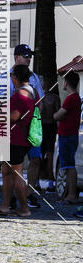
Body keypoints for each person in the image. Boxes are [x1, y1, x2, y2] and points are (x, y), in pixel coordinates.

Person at [0, 64, 34, 217]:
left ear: (15, 77)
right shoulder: (31, 91)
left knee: (16, 173)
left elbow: (14, 116)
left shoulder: (20, 94)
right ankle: (5, 205)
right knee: (6, 171)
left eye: (12, 76)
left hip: (15, 138)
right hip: (16, 137)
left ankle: (24, 208)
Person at [10, 44, 43, 206]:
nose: (29, 59)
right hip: (13, 127)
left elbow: (40, 101)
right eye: (25, 56)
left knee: (35, 159)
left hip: (31, 126)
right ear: (16, 57)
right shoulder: (6, 76)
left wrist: (36, 119)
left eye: (30, 56)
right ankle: (11, 197)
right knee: (11, 165)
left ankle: (29, 193)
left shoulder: (34, 77)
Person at [53, 71, 81, 205]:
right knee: (67, 164)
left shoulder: (71, 98)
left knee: (69, 165)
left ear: (66, 82)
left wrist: (55, 115)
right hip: (69, 134)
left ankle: (71, 195)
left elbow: (59, 115)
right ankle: (68, 194)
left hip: (67, 135)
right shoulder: (76, 98)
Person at [40, 79, 61, 190]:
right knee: (43, 153)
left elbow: (58, 115)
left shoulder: (48, 97)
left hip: (47, 126)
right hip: (45, 126)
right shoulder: (51, 98)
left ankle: (49, 182)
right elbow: (58, 114)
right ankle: (43, 181)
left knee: (48, 153)